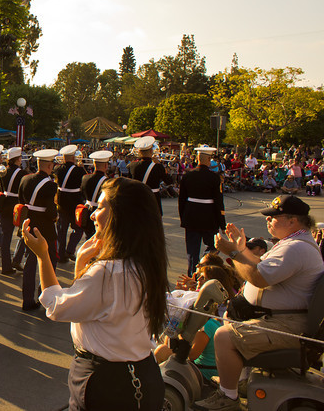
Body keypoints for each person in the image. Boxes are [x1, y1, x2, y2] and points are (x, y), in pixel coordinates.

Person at [22, 177, 168, 410]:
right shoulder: (146, 265)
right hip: (144, 375)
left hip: (106, 383)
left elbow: (56, 306)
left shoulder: (107, 272)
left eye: (100, 207)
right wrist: (81, 264)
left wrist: (42, 256)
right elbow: (92, 307)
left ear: (121, 216)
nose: (92, 215)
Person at [194, 195, 324, 410]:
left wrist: (234, 253)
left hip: (287, 326)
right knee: (230, 322)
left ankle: (228, 397)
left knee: (224, 336)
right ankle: (236, 382)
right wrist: (241, 249)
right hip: (284, 321)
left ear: (292, 221)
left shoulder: (295, 248)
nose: (268, 220)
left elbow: (258, 277)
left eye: (274, 217)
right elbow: (259, 264)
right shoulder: (295, 243)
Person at [18, 148, 59, 311]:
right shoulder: (50, 185)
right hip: (45, 229)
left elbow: (21, 201)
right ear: (49, 166)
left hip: (28, 224)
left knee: (29, 263)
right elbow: (51, 211)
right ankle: (45, 295)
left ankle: (27, 300)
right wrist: (55, 216)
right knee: (50, 261)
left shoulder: (25, 179)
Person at [179, 146, 226, 276]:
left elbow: (181, 200)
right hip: (209, 218)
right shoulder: (214, 178)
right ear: (209, 159)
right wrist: (222, 224)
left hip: (191, 217)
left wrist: (183, 218)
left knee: (192, 251)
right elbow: (218, 202)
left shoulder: (188, 176)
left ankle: (192, 275)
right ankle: (206, 272)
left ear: (198, 158)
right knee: (212, 248)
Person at [54, 145, 85, 262]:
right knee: (78, 228)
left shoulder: (58, 169)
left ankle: (61, 255)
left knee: (61, 230)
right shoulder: (79, 170)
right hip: (75, 203)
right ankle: (70, 249)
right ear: (73, 157)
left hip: (62, 202)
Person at [129, 136, 173, 215]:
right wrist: (159, 164)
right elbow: (169, 181)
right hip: (153, 199)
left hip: (137, 199)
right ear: (151, 151)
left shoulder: (132, 165)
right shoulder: (158, 167)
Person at [0, 147, 24, 275]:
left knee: (5, 237)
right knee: (24, 234)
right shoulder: (22, 173)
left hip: (4, 204)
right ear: (18, 159)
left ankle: (6, 266)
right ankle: (17, 259)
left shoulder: (3, 171)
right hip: (17, 205)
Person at [79, 150, 112, 238]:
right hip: (100, 212)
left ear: (94, 164)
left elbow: (81, 193)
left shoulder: (85, 177)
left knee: (88, 238)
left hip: (87, 210)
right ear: (106, 165)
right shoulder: (108, 181)